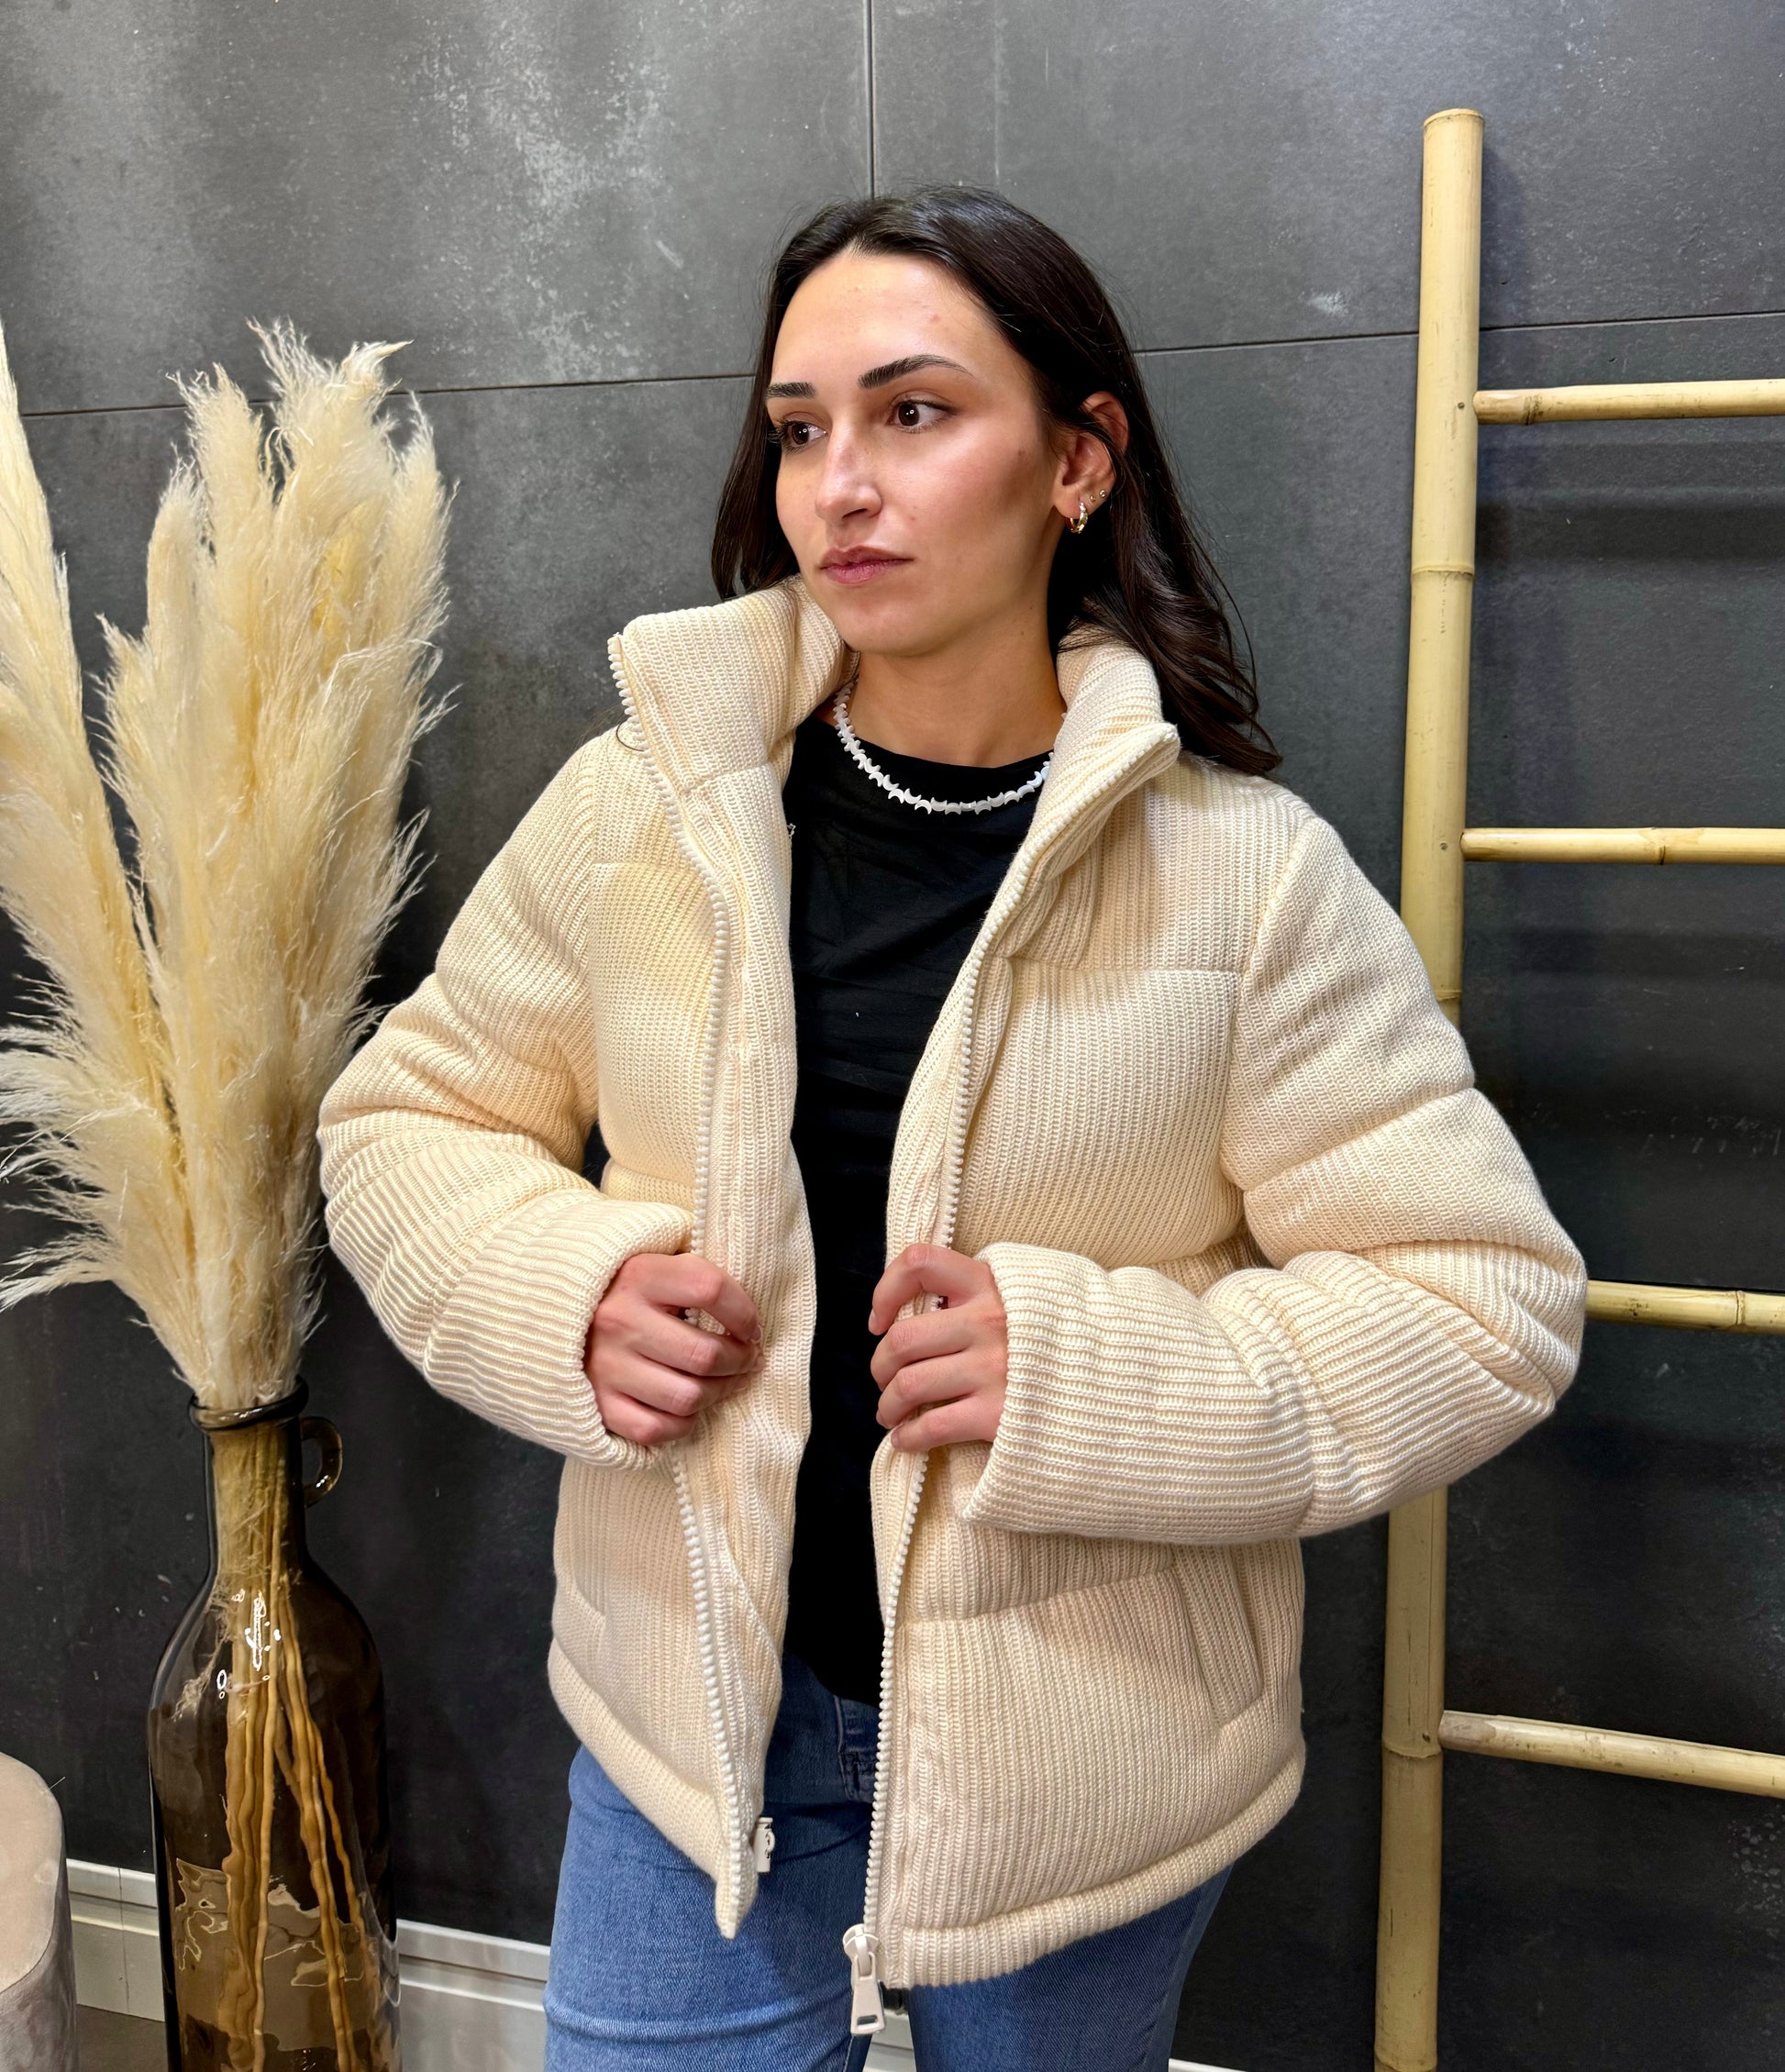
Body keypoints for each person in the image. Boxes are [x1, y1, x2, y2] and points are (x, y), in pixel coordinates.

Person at [315, 186, 1588, 2071]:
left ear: (1077, 460)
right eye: (799, 427)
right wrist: (563, 1289)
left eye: (913, 413)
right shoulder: (641, 809)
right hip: (693, 1739)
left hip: (1084, 1766)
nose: (839, 484)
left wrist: (1082, 1371)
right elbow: (405, 1116)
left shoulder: (1245, 880)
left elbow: (1482, 1300)